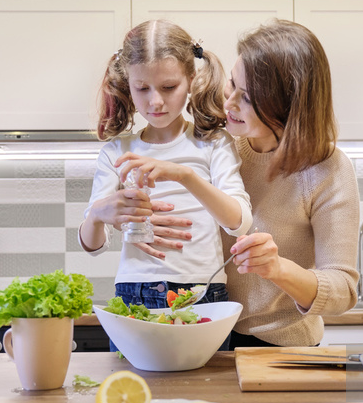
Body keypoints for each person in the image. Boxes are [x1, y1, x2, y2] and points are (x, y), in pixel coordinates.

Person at [136, 19, 360, 348]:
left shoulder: (327, 169)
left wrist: (277, 268)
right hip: (207, 334)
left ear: (288, 105)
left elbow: (343, 291)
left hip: (281, 347)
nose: (228, 104)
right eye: (232, 84)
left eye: (249, 98)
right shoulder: (217, 147)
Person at [78, 20, 252, 335]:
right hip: (134, 293)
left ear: (191, 79)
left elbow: (239, 222)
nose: (155, 101)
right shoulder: (117, 150)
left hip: (203, 291)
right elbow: (93, 246)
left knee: (204, 385)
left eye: (169, 87)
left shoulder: (213, 143)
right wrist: (99, 214)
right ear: (127, 84)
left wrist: (185, 175)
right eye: (142, 88)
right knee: (137, 383)